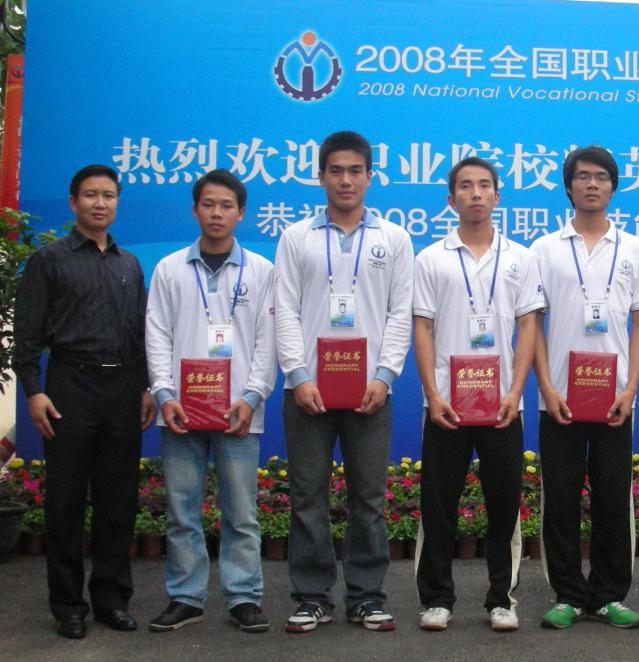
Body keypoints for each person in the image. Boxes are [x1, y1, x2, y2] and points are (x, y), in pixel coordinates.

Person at [275, 130, 413, 633]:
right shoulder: (296, 238)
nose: (346, 180)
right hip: (306, 391)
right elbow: (285, 310)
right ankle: (312, 596)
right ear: (321, 177)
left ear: (370, 177)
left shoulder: (393, 239)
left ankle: (367, 596)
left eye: (355, 171)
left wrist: (385, 374)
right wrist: (297, 375)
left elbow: (400, 313)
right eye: (336, 171)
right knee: (307, 497)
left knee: (368, 499)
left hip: (369, 393)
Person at [13, 164, 156, 639]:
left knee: (118, 500)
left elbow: (139, 333)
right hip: (68, 387)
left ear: (117, 203)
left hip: (122, 389)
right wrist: (34, 390)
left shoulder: (129, 264)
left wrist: (146, 386)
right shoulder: (49, 260)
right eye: (91, 195)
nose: (101, 203)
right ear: (74, 202)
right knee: (66, 501)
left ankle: (112, 600)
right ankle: (68, 605)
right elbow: (27, 334)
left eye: (109, 195)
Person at [412, 157, 544, 632]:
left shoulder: (520, 258)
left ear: (497, 196)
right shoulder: (431, 258)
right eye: (465, 186)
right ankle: (437, 599)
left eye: (484, 185)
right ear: (451, 199)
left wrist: (516, 390)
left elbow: (528, 326)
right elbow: (422, 328)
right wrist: (432, 393)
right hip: (446, 404)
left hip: (503, 405)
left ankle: (501, 599)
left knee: (504, 505)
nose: (475, 193)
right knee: (438, 504)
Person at [531, 146, 639, 629]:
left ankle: (608, 595)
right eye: (582, 176)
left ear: (613, 186)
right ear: (569, 186)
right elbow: (532, 324)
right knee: (561, 498)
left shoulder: (635, 250)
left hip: (615, 399)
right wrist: (546, 386)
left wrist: (631, 389)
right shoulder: (545, 249)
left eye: (601, 177)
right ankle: (567, 593)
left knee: (611, 497)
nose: (591, 184)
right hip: (559, 397)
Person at [145, 169, 277, 633]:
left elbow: (267, 341)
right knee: (182, 510)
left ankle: (244, 597)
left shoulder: (262, 271)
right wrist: (163, 393)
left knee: (241, 513)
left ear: (241, 213)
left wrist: (253, 395)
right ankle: (186, 597)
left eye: (226, 205)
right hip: (180, 411)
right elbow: (157, 335)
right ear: (194, 209)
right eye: (208, 204)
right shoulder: (169, 269)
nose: (216, 213)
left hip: (238, 413)